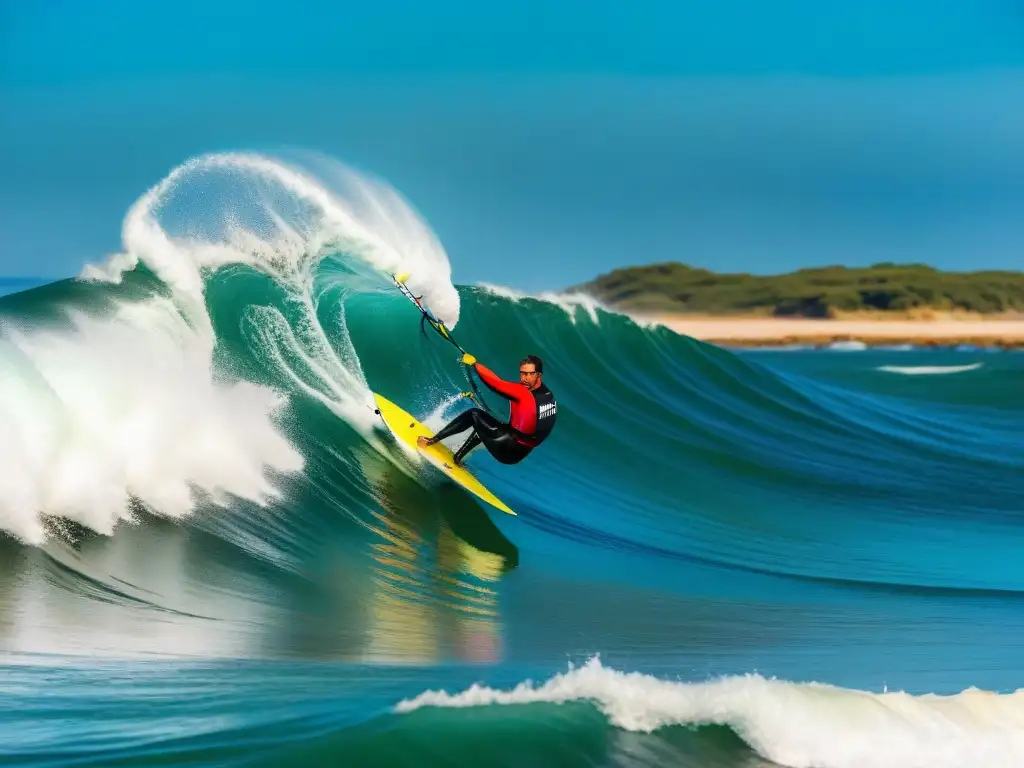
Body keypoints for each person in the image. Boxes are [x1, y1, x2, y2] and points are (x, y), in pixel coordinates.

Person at [417, 353, 557, 466]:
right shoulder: (549, 397)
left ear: (539, 375)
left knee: (474, 415)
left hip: (507, 448)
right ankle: (458, 457)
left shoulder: (524, 392)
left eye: (530, 374)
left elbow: (495, 383)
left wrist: (474, 365)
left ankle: (430, 441)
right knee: (489, 425)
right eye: (522, 373)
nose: (525, 378)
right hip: (520, 453)